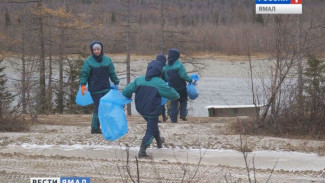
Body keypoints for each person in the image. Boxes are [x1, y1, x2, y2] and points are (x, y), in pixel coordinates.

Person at [122, 58, 180, 158]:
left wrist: (124, 100)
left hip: (141, 108)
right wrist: (178, 95)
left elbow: (126, 90)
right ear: (160, 71)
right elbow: (174, 95)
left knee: (152, 125)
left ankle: (159, 141)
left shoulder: (139, 80)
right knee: (150, 129)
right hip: (152, 110)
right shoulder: (159, 83)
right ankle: (142, 151)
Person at [80, 41, 120, 134]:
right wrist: (82, 84)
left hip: (106, 87)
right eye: (94, 50)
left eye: (98, 49)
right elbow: (84, 74)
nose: (96, 51)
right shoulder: (88, 61)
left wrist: (116, 81)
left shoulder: (107, 60)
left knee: (106, 107)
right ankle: (94, 128)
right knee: (98, 107)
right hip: (95, 89)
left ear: (101, 49)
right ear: (92, 50)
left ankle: (106, 127)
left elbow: (111, 72)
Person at [163, 48, 194, 123]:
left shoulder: (166, 66)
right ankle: (183, 114)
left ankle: (173, 119)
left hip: (172, 88)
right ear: (177, 56)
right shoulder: (179, 65)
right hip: (181, 87)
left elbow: (166, 77)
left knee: (174, 103)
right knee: (183, 100)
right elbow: (183, 75)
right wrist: (190, 80)